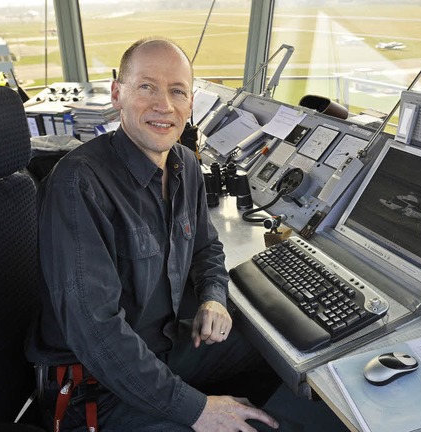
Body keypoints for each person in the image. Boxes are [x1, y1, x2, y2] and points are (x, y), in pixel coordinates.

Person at [26, 37, 280, 431]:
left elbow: (206, 247)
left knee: (273, 353)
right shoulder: (78, 185)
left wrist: (213, 297)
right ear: (117, 94)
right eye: (147, 87)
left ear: (190, 103)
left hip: (163, 347)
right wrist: (197, 410)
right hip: (95, 385)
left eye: (177, 91)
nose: (164, 105)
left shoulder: (184, 165)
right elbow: (97, 333)